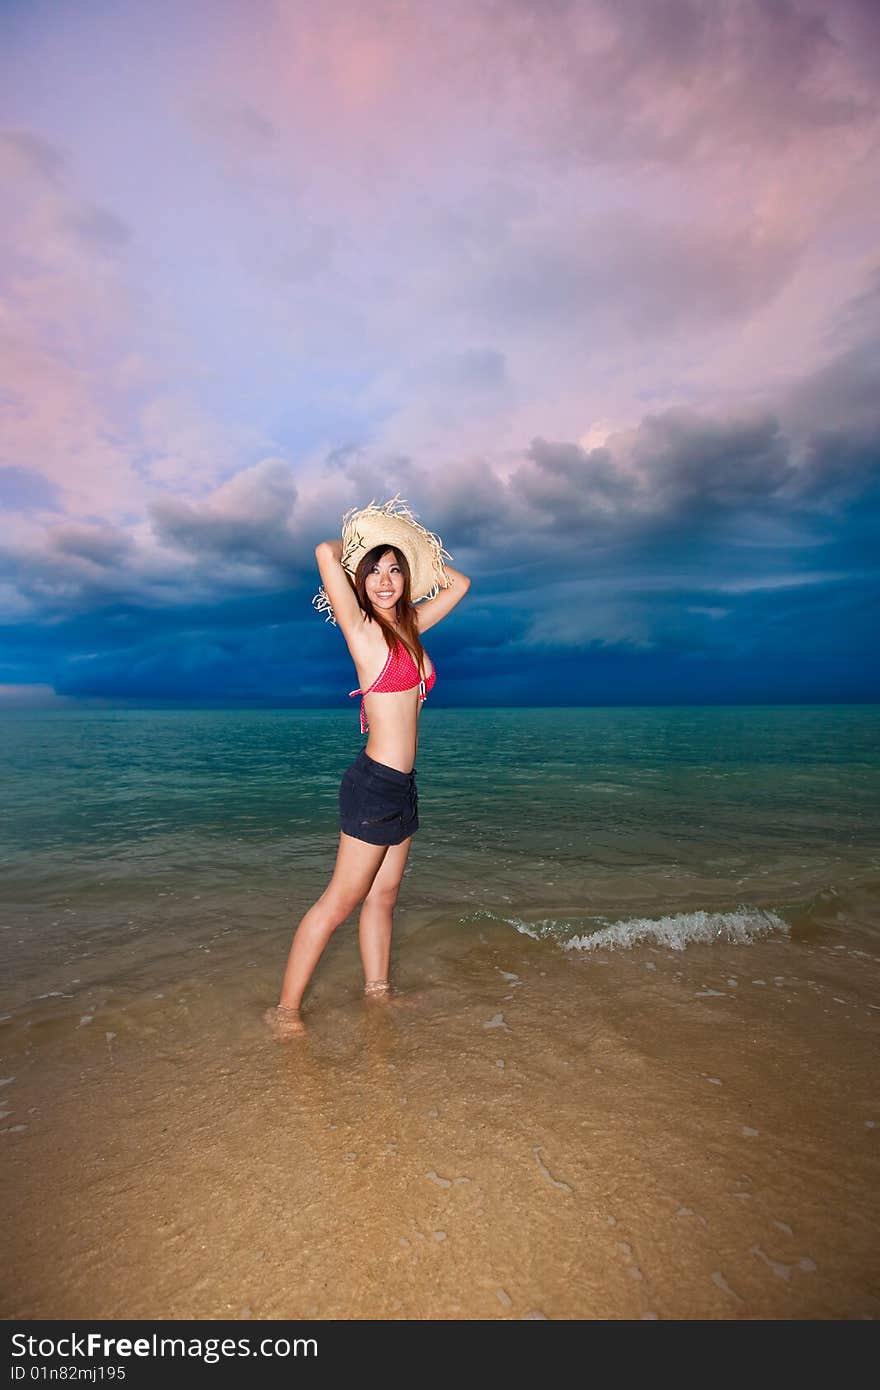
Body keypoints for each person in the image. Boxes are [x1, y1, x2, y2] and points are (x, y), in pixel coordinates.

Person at [265, 497, 471, 1036]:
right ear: (359, 581)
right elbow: (322, 551)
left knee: (384, 896)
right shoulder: (360, 629)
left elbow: (459, 585)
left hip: (402, 785)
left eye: (394, 570)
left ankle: (378, 995)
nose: (384, 581)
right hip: (375, 784)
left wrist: (416, 549)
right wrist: (360, 542)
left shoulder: (411, 627)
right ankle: (285, 1011)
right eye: (374, 572)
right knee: (338, 902)